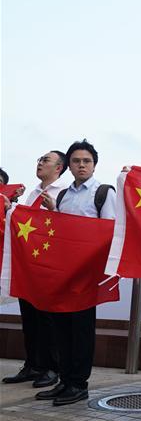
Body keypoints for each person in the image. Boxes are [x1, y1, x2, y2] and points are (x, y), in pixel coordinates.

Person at [37, 141, 116, 406]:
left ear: (94, 164)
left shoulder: (104, 193)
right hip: (63, 273)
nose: (81, 165)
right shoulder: (62, 196)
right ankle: (65, 380)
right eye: (76, 161)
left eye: (87, 161)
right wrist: (52, 213)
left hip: (86, 275)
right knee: (62, 328)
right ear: (68, 166)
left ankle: (79, 384)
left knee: (81, 330)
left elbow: (108, 233)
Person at [3, 151, 68, 389]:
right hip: (27, 264)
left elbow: (68, 227)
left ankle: (52, 367)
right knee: (29, 318)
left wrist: (54, 211)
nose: (40, 163)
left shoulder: (64, 192)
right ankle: (32, 365)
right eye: (39, 160)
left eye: (45, 160)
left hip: (49, 265)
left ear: (59, 168)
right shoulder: (33, 192)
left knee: (47, 319)